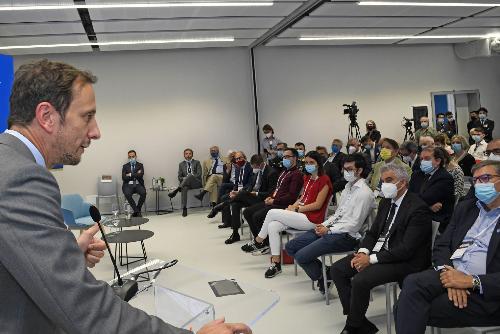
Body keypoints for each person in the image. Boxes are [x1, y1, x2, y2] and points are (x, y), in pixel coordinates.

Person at [0, 59, 250, 334]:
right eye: (87, 116)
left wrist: (66, 255)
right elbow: (85, 310)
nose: (96, 131)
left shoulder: (10, 164)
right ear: (47, 116)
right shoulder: (20, 178)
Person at [395, 160, 500, 334]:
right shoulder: (467, 208)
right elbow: (442, 244)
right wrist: (448, 275)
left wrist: (471, 281)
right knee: (412, 282)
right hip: (452, 272)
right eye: (476, 181)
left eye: (486, 178)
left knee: (405, 307)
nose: (480, 184)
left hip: (487, 292)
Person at [330, 164, 432, 334]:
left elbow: (407, 249)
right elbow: (373, 233)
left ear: (403, 182)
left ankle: (353, 326)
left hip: (406, 261)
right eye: (383, 181)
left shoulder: (418, 208)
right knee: (337, 269)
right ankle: (359, 320)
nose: (385, 185)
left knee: (360, 280)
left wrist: (370, 260)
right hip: (382, 253)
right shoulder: (386, 202)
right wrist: (363, 252)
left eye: (389, 180)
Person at [285, 154, 375, 293]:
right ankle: (325, 273)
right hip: (331, 229)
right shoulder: (347, 188)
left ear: (359, 171)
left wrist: (329, 230)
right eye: (344, 169)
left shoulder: (364, 193)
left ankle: (323, 276)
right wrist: (324, 225)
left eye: (350, 169)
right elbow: (338, 213)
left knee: (301, 256)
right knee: (291, 247)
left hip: (347, 236)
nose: (346, 172)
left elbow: (354, 225)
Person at [254, 151, 332, 278]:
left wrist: (296, 210)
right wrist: (294, 206)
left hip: (312, 219)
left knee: (272, 212)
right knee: (273, 226)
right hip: (301, 215)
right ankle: (276, 264)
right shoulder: (307, 178)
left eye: (311, 162)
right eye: (306, 162)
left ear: (319, 164)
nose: (308, 165)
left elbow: (317, 205)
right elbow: (302, 198)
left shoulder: (324, 180)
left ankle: (258, 240)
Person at [241, 148, 303, 255]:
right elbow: (276, 189)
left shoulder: (296, 174)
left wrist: (275, 200)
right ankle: (260, 242)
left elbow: (292, 196)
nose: (285, 159)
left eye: (288, 157)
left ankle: (263, 243)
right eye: (284, 157)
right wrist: (270, 197)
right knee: (247, 212)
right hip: (275, 201)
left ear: (295, 158)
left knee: (257, 216)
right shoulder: (284, 172)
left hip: (283, 205)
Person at [224, 154, 278, 244]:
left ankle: (224, 204)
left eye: (254, 167)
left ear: (260, 164)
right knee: (235, 204)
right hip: (252, 197)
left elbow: (270, 193)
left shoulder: (271, 173)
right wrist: (239, 193)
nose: (253, 169)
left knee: (244, 194)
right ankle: (235, 233)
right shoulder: (258, 171)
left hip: (262, 199)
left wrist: (254, 193)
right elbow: (250, 186)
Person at [409, 147, 455, 232]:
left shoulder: (445, 178)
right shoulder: (417, 174)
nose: (422, 162)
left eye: (427, 159)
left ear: (437, 161)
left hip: (435, 220)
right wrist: (428, 207)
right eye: (421, 159)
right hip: (417, 215)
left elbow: (426, 198)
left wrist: (422, 204)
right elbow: (408, 196)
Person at [207, 151, 253, 227]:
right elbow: (236, 183)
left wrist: (239, 191)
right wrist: (234, 191)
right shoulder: (237, 168)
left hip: (245, 192)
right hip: (237, 189)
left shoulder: (249, 167)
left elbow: (250, 184)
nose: (238, 160)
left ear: (244, 157)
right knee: (224, 197)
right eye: (236, 159)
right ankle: (227, 221)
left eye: (240, 158)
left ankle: (217, 208)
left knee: (231, 200)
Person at [168, 148, 203, 217]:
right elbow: (179, 177)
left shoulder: (197, 162)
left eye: (190, 153)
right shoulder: (181, 164)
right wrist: (185, 178)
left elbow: (199, 174)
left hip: (196, 183)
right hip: (186, 184)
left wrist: (189, 177)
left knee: (189, 176)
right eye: (186, 154)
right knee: (184, 187)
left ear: (192, 155)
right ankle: (184, 208)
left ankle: (177, 189)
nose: (188, 155)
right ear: (184, 155)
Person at [122, 149, 147, 217]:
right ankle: (137, 211)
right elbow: (124, 177)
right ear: (128, 158)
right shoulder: (125, 166)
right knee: (127, 194)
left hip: (138, 184)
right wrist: (136, 174)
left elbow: (141, 175)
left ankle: (137, 210)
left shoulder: (140, 165)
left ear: (136, 156)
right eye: (130, 157)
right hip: (128, 185)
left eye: (133, 156)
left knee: (143, 193)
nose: (131, 158)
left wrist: (129, 174)